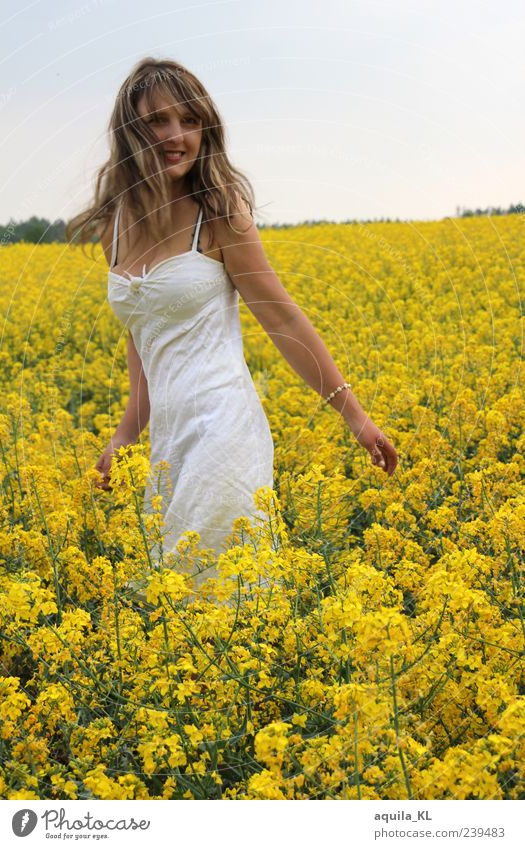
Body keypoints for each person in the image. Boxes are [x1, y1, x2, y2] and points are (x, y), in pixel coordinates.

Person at [68, 57, 398, 595]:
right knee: (175, 608)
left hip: (224, 427)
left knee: (218, 598)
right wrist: (128, 433)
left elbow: (281, 316)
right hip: (169, 442)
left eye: (190, 120)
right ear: (130, 132)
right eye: (158, 122)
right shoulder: (116, 226)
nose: (176, 136)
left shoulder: (219, 211)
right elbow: (144, 335)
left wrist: (355, 417)